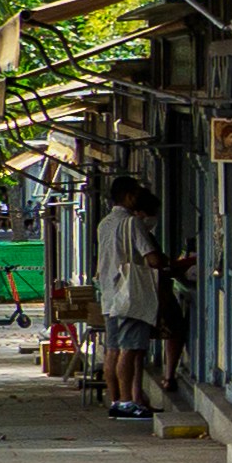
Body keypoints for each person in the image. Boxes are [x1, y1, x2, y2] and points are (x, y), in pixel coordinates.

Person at [92, 179, 159, 420]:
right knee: (129, 349)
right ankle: (128, 401)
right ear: (129, 196)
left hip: (109, 295)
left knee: (112, 349)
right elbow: (151, 258)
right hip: (130, 294)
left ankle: (116, 401)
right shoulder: (132, 223)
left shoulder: (104, 223)